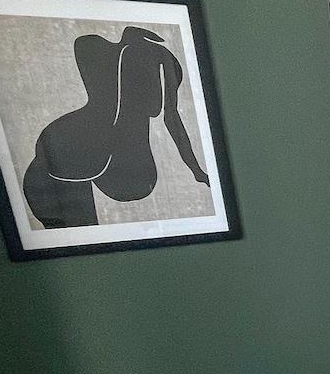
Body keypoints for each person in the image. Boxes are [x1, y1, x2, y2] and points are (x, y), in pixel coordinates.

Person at [21, 26, 209, 228]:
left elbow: (170, 117)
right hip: (90, 152)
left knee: (75, 228)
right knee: (76, 227)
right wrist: (197, 171)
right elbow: (170, 116)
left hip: (83, 148)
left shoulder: (88, 45)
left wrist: (197, 171)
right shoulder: (149, 54)